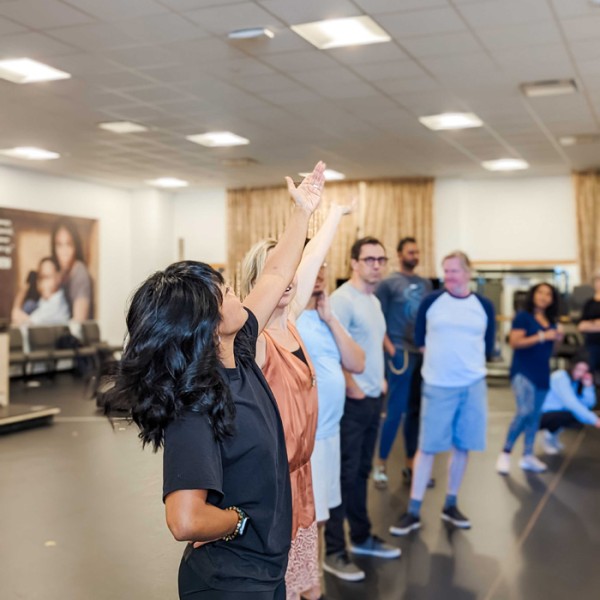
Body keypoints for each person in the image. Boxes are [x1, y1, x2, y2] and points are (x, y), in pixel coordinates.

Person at [104, 161, 326, 600]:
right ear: (205, 324)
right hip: (230, 583)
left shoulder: (238, 350)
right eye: (223, 292)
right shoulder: (196, 403)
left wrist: (302, 212)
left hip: (263, 570)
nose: (233, 292)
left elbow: (277, 274)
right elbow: (184, 519)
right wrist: (239, 520)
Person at [240, 201, 354, 600]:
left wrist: (334, 214)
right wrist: (300, 213)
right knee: (281, 585)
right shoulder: (251, 341)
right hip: (273, 485)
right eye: (280, 274)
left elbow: (309, 261)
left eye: (293, 274)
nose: (290, 280)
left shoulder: (290, 322)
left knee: (308, 580)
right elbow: (280, 273)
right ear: (262, 280)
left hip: (300, 475)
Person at [390, 251, 495, 536]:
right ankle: (413, 510)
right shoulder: (431, 301)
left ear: (468, 272)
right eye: (445, 271)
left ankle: (450, 504)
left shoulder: (483, 305)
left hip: (472, 386)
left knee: (462, 446)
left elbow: (488, 345)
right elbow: (421, 340)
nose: (449, 276)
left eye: (454, 271)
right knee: (427, 448)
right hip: (438, 386)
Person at [323, 236, 401, 582]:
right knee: (344, 475)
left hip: (372, 398)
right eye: (369, 259)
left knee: (361, 473)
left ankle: (363, 536)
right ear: (353, 263)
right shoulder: (342, 300)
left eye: (381, 259)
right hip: (351, 403)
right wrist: (353, 387)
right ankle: (335, 552)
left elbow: (370, 346)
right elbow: (331, 349)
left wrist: (379, 381)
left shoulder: (373, 301)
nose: (376, 265)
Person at [295, 263, 365, 575]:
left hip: (330, 433)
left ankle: (313, 582)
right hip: (309, 437)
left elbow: (357, 362)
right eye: (313, 264)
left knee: (321, 516)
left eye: (323, 265)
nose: (320, 271)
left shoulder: (325, 316)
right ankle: (305, 585)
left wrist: (330, 317)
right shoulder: (290, 319)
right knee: (309, 517)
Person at [373, 236, 432, 488]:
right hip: (400, 354)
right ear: (400, 255)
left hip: (421, 355)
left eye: (417, 251)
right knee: (395, 411)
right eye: (410, 251)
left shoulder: (426, 284)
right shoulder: (388, 284)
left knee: (416, 413)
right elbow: (377, 318)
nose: (414, 255)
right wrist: (390, 349)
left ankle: (411, 465)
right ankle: (381, 466)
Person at [496, 283, 561, 475]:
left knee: (535, 416)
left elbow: (553, 351)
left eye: (548, 294)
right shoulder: (523, 317)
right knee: (524, 411)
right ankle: (505, 453)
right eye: (540, 292)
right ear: (533, 295)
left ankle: (528, 455)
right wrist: (542, 336)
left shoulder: (551, 321)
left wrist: (557, 338)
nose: (543, 297)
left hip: (542, 372)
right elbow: (515, 342)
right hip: (523, 371)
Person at [539, 355, 600, 454]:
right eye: (579, 369)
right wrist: (594, 420)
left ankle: (553, 436)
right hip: (542, 414)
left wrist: (588, 386)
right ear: (572, 366)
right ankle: (548, 437)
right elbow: (571, 403)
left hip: (557, 412)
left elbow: (587, 405)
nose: (580, 373)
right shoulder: (560, 377)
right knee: (568, 415)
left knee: (575, 417)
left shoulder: (574, 382)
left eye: (584, 371)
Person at [51, 219, 93, 321]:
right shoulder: (60, 273)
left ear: (76, 246)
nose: (64, 252)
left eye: (69, 244)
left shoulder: (79, 272)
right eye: (59, 245)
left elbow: (79, 320)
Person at [28, 257, 71, 325]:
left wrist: (23, 289)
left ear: (58, 278)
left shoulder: (57, 304)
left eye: (47, 277)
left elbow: (25, 322)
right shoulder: (44, 301)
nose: (44, 283)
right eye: (41, 278)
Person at [577, 271, 600, 378]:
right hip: (591, 346)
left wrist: (591, 324)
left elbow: (586, 325)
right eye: (598, 279)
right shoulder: (589, 303)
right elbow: (581, 326)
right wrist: (595, 323)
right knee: (589, 377)